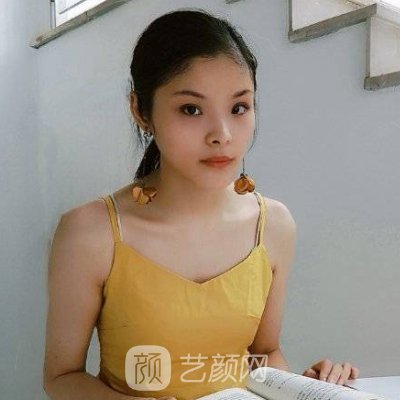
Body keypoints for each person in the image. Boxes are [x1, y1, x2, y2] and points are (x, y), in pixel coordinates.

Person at [42, 8, 360, 400]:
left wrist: (307, 386)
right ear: (141, 111)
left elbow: (263, 355)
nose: (222, 135)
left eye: (239, 107)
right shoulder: (92, 232)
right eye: (191, 109)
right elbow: (62, 377)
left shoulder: (273, 225)